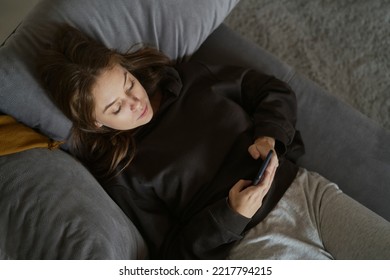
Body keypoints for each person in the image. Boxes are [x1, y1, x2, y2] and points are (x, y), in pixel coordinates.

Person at [38, 24, 390, 260]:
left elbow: (271, 90)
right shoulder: (123, 171)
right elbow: (172, 255)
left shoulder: (188, 77)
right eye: (116, 106)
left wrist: (270, 135)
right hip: (251, 243)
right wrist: (230, 216)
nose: (135, 102)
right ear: (97, 123)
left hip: (304, 190)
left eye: (129, 83)